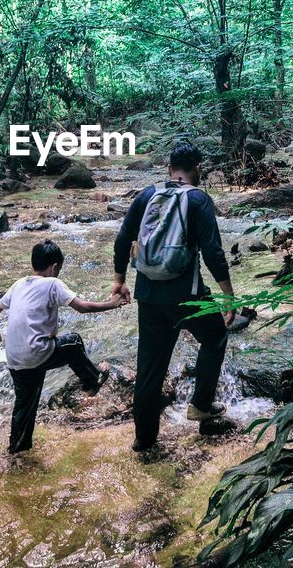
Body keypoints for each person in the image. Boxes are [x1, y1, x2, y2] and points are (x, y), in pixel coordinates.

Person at [112, 140, 236, 454]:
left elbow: (123, 238)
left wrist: (119, 280)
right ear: (198, 169)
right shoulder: (198, 200)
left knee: (150, 368)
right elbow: (212, 253)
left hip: (148, 294)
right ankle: (200, 406)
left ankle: (144, 441)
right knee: (216, 336)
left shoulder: (146, 195)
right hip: (187, 296)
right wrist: (229, 298)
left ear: (169, 170)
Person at [0, 239, 122, 454]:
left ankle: (17, 448)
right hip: (36, 352)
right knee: (73, 342)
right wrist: (112, 304)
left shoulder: (18, 284)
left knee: (25, 404)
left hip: (14, 358)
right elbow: (82, 308)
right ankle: (93, 379)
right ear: (55, 267)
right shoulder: (52, 283)